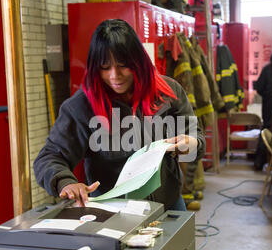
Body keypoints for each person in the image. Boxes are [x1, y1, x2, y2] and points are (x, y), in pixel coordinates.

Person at [33, 19, 205, 211]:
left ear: (138, 62)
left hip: (168, 205)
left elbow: (195, 141)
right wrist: (65, 183)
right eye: (105, 67)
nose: (115, 75)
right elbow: (49, 157)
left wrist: (190, 144)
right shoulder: (81, 107)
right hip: (113, 211)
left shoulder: (168, 93)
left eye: (123, 65)